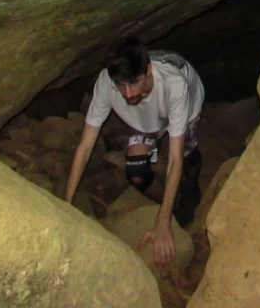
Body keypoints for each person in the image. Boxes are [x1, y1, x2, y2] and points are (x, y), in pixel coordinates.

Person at [64, 37, 205, 266]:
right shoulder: (106, 83)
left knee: (186, 155)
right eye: (121, 85)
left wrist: (162, 223)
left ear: (148, 70)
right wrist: (66, 204)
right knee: (137, 171)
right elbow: (85, 146)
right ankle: (176, 203)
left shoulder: (174, 85)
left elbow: (175, 158)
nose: (128, 94)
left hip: (183, 106)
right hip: (144, 119)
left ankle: (190, 185)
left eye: (134, 82)